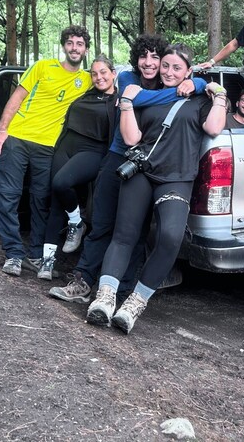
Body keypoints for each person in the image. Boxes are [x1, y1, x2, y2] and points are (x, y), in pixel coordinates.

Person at [48, 35, 207, 303]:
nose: (149, 62)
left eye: (155, 57)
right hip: (119, 157)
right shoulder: (127, 79)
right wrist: (194, 85)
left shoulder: (169, 80)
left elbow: (173, 98)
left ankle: (119, 292)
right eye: (143, 56)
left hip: (150, 166)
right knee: (102, 222)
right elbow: (141, 99)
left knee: (135, 232)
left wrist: (199, 84)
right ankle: (83, 281)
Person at [85, 44, 226, 333]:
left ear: (188, 71)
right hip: (143, 172)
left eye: (177, 68)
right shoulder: (144, 95)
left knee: (171, 238)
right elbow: (131, 138)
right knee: (124, 235)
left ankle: (135, 303)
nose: (169, 72)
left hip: (177, 178)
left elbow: (213, 128)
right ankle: (105, 299)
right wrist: (127, 102)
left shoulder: (200, 98)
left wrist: (217, 92)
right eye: (166, 66)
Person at [0, 25, 93, 277]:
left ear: (86, 49)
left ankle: (36, 254)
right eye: (70, 43)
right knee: (8, 195)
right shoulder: (42, 67)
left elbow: (114, 80)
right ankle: (13, 254)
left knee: (41, 200)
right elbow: (17, 97)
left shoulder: (88, 80)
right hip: (18, 137)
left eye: (79, 44)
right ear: (64, 46)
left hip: (49, 147)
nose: (74, 48)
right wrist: (2, 130)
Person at [37, 55, 118, 280]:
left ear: (113, 74)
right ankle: (47, 261)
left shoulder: (119, 101)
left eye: (103, 72)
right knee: (56, 201)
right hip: (66, 146)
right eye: (94, 73)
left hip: (93, 150)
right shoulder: (85, 94)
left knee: (61, 183)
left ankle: (76, 222)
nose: (99, 77)